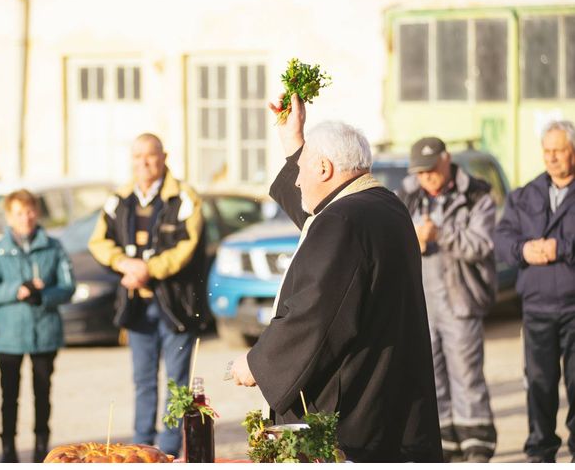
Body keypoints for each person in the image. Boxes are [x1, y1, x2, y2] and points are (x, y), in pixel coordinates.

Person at [230, 94, 443, 462]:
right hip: (388, 397)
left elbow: (314, 313)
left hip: (355, 413)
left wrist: (258, 363)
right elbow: (319, 223)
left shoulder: (344, 222)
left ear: (325, 169)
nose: (296, 182)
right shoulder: (385, 206)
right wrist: (293, 142)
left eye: (303, 170)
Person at [88, 132, 210, 457]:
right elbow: (99, 242)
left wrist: (148, 269)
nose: (143, 162)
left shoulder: (185, 198)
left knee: (176, 384)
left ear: (164, 157)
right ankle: (142, 449)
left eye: (150, 155)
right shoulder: (120, 199)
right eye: (137, 156)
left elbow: (187, 247)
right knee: (143, 381)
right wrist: (123, 263)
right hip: (136, 307)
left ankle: (169, 451)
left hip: (176, 306)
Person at [398, 136, 498, 462]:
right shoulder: (408, 195)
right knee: (432, 381)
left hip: (460, 303)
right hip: (422, 305)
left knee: (467, 379)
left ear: (446, 160)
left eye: (430, 170)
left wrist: (441, 234)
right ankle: (445, 453)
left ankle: (477, 451)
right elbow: (395, 244)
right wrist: (415, 238)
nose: (425, 177)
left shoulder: (476, 194)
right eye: (420, 172)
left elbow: (481, 244)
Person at [494, 120, 575, 463]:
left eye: (559, 151)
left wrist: (563, 248)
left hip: (573, 307)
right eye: (547, 151)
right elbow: (502, 238)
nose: (552, 158)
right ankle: (541, 453)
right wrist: (523, 251)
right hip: (538, 306)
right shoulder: (524, 194)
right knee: (539, 387)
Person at [0, 189, 76, 463]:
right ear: (9, 217)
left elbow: (68, 286)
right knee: (9, 394)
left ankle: (41, 447)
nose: (26, 218)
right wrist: (16, 290)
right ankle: (8, 449)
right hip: (9, 333)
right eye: (19, 213)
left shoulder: (54, 247)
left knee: (42, 393)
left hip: (44, 330)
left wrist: (44, 296)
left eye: (30, 211)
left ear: (38, 212)